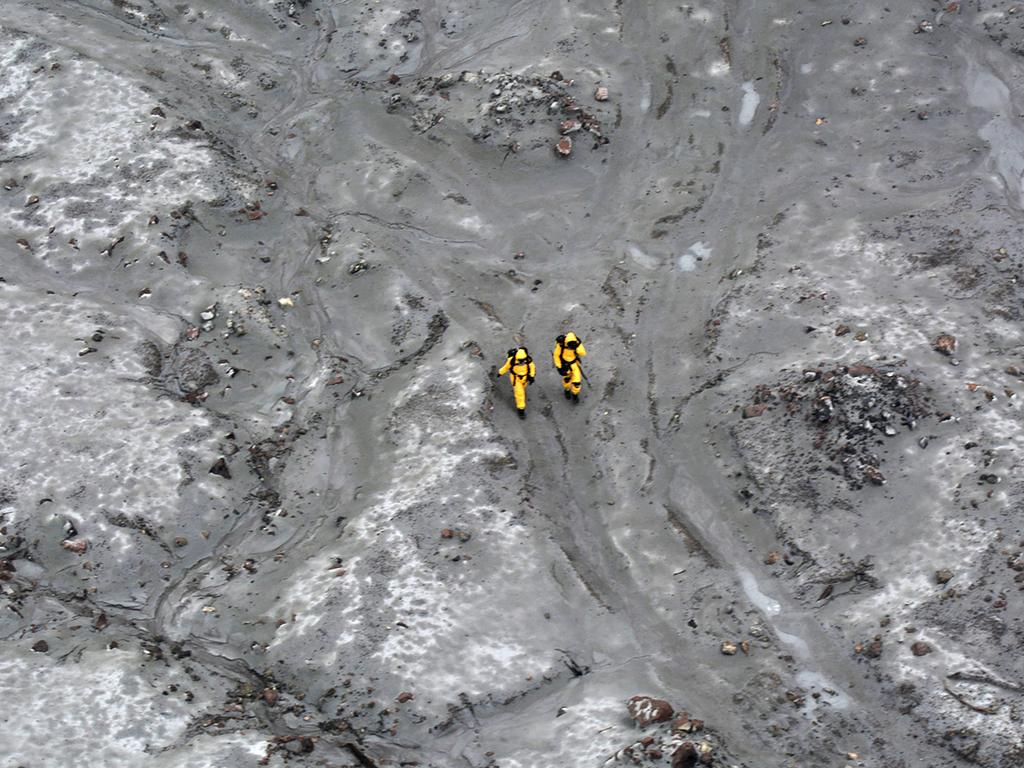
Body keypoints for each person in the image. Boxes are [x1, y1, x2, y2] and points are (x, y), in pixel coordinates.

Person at [498, 346, 536, 419]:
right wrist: (500, 372)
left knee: (522, 388)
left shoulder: (528, 360)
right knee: (520, 394)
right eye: (520, 360)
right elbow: (506, 367)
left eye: (522, 360)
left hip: (525, 378)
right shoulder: (512, 360)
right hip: (516, 379)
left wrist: (531, 376)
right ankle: (521, 409)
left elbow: (532, 368)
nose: (521, 362)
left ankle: (521, 394)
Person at [553, 331, 586, 402]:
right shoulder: (561, 345)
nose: (570, 348)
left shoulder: (577, 343)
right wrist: (559, 367)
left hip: (574, 365)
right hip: (565, 365)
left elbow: (583, 353)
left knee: (577, 382)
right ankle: (567, 390)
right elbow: (556, 355)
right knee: (567, 379)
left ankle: (575, 394)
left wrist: (577, 346)